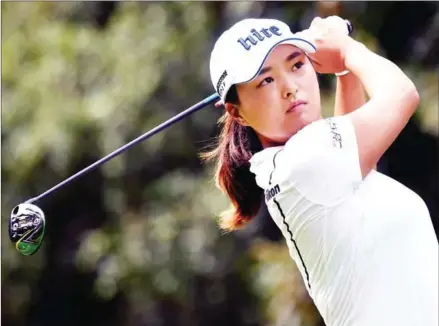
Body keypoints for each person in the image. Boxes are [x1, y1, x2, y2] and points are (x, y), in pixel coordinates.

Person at [202, 16, 438, 326]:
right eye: (266, 80)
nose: (289, 88)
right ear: (237, 112)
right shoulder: (305, 160)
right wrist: (347, 49)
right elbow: (403, 95)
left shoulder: (305, 161)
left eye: (297, 65)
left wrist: (343, 70)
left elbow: (359, 174)